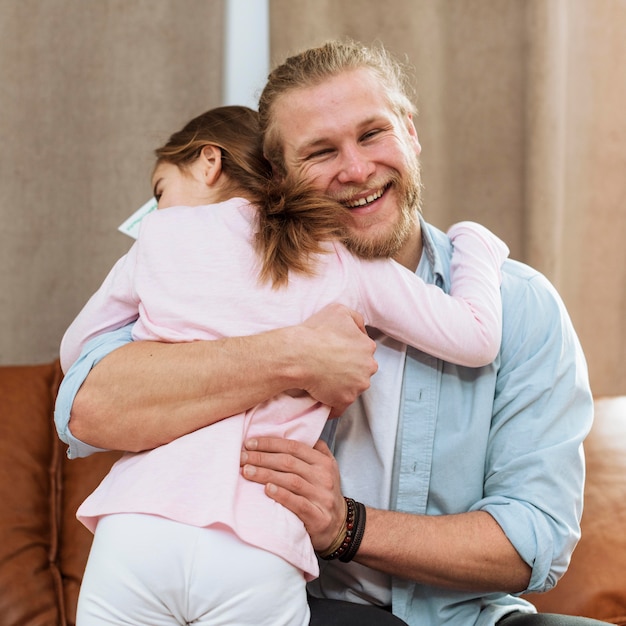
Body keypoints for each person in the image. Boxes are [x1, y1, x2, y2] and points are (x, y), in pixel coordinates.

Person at [54, 40, 600, 626]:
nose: (357, 169)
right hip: (293, 605)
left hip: (462, 617)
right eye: (320, 152)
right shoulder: (216, 279)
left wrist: (346, 525)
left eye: (372, 134)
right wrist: (291, 354)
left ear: (410, 132)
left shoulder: (520, 305)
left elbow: (533, 539)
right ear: (278, 177)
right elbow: (84, 406)